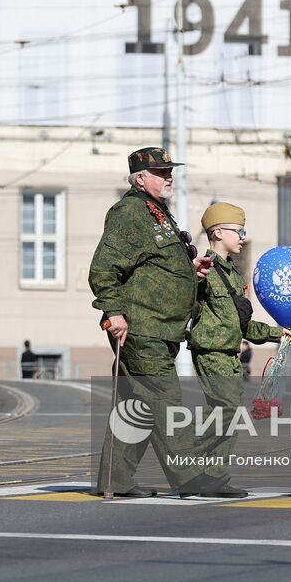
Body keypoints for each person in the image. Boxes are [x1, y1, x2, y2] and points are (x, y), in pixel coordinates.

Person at [89, 146, 212, 498]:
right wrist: (113, 312)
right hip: (141, 327)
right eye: (161, 172)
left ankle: (117, 480)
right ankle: (191, 478)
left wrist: (191, 272)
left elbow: (153, 266)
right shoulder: (130, 213)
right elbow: (104, 268)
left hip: (159, 328)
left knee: (136, 406)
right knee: (164, 399)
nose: (169, 176)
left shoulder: (156, 212)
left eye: (169, 170)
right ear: (140, 178)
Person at [186, 202, 288, 497]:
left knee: (229, 413)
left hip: (230, 354)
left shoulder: (233, 275)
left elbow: (243, 326)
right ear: (218, 232)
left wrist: (275, 334)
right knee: (226, 409)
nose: (243, 236)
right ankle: (181, 454)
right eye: (238, 231)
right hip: (211, 351)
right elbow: (184, 299)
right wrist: (192, 278)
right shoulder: (202, 270)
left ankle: (214, 478)